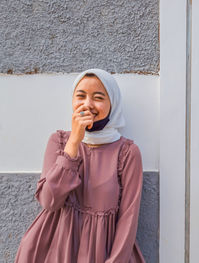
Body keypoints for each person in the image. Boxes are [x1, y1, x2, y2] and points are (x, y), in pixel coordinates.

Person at [15, 69, 145, 263]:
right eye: (81, 96)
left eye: (98, 97)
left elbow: (129, 217)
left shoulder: (127, 153)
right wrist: (74, 142)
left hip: (102, 253)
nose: (88, 104)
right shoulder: (58, 142)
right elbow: (49, 201)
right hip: (53, 252)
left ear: (113, 103)